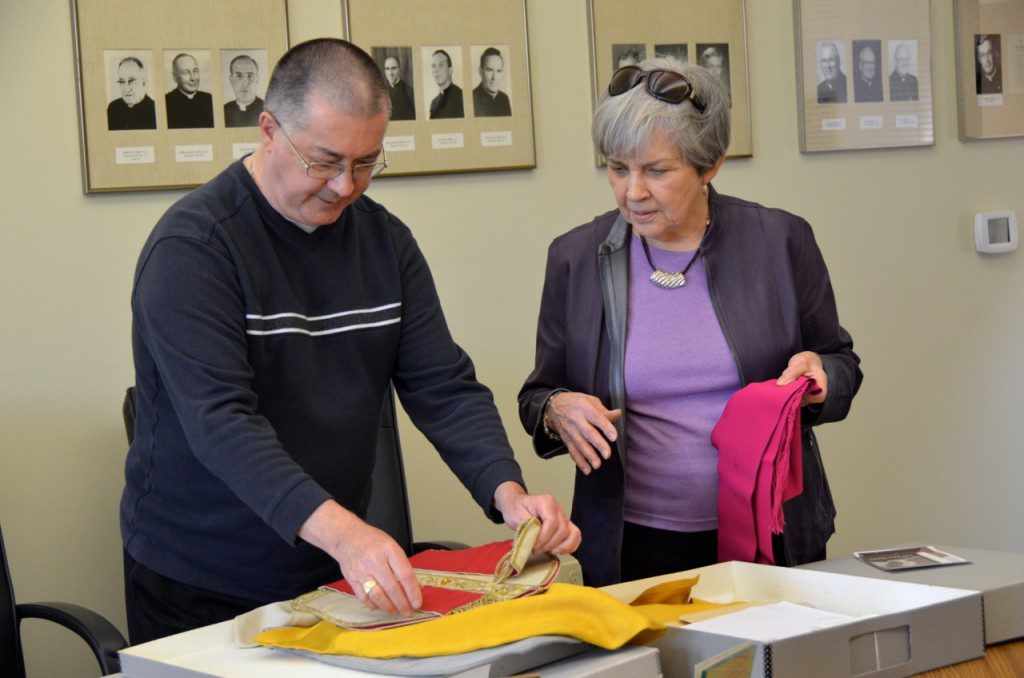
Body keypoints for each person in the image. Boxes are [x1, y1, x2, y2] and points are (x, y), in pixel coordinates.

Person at [122, 38, 579, 645]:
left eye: (367, 163)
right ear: (268, 130)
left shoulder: (385, 243)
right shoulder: (194, 249)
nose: (345, 186)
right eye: (324, 161)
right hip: (202, 576)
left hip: (328, 564)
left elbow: (442, 385)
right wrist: (347, 534)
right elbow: (222, 423)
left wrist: (509, 494)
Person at [518, 58, 862, 587]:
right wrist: (556, 409)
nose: (633, 192)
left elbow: (841, 363)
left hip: (770, 532)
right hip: (630, 540)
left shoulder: (781, 242)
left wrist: (821, 378)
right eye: (617, 167)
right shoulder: (575, 258)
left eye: (657, 171)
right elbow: (538, 394)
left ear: (711, 165)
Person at [165, 52, 215, 128]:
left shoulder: (210, 99)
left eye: (195, 71)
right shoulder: (166, 102)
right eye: (185, 73)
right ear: (175, 77)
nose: (193, 78)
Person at [106, 57, 156, 131]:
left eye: (131, 81)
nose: (126, 89)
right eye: (122, 82)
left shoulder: (154, 110)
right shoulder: (113, 108)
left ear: (143, 82)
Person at [224, 54, 264, 128]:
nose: (245, 82)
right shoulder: (224, 111)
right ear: (231, 80)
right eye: (239, 75)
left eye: (250, 75)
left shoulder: (267, 109)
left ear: (257, 79)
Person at [472, 47, 512, 117]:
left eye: (499, 71)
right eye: (489, 70)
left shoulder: (504, 99)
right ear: (480, 72)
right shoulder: (471, 99)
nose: (494, 77)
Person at [429, 49, 464, 119]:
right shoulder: (434, 103)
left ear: (450, 70)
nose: (436, 70)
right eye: (433, 66)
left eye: (441, 65)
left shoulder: (462, 97)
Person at [383, 55, 416, 121]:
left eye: (393, 68)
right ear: (384, 71)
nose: (390, 73)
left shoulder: (409, 91)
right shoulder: (381, 91)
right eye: (387, 69)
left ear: (399, 70)